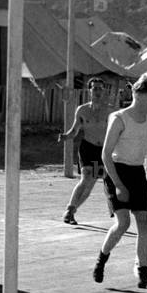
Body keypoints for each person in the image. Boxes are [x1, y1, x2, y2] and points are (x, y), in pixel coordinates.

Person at [94, 75, 147, 288]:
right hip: (116, 171)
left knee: (145, 223)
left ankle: (142, 270)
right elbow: (105, 155)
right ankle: (101, 259)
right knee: (123, 223)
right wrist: (119, 185)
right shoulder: (119, 118)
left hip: (137, 173)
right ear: (138, 97)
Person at [58, 77, 112, 225]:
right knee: (86, 178)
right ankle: (69, 210)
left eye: (100, 88)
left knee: (91, 185)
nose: (97, 91)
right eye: (94, 88)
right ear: (89, 91)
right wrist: (65, 136)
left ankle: (73, 211)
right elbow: (74, 131)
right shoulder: (82, 110)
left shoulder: (111, 110)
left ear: (104, 91)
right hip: (88, 148)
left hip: (103, 151)